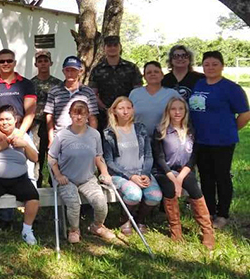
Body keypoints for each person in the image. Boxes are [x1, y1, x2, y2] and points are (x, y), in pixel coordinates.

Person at [189, 51, 250, 229]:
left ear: (222, 66)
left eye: (214, 64)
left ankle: (223, 214)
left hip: (222, 141)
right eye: (207, 64)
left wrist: (230, 129)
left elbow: (245, 114)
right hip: (201, 140)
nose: (210, 67)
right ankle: (209, 211)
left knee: (221, 177)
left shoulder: (231, 88)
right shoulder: (199, 84)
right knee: (206, 177)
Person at [0, 48, 37, 226]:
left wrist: (21, 132)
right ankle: (4, 218)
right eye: (2, 61)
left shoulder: (26, 84)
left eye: (9, 61)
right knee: (0, 171)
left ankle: (30, 220)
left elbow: (30, 111)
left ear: (14, 62)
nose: (5, 64)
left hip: (21, 133)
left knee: (27, 175)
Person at [48, 100, 116, 243]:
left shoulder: (95, 135)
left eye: (82, 114)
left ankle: (97, 226)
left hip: (87, 178)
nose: (79, 118)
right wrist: (58, 175)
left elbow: (99, 156)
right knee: (73, 204)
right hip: (67, 179)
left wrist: (104, 172)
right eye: (75, 114)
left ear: (87, 116)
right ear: (70, 115)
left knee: (100, 202)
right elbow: (51, 157)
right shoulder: (62, 135)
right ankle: (74, 229)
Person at [152, 97, 214, 249]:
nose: (177, 112)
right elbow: (159, 158)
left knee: (194, 187)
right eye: (173, 109)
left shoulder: (191, 130)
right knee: (169, 189)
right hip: (164, 171)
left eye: (181, 109)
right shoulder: (160, 130)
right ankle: (176, 229)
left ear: (185, 111)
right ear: (168, 111)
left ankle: (207, 230)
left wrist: (179, 178)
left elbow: (193, 158)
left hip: (183, 170)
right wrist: (173, 179)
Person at [0, 105, 40, 246]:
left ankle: (27, 231)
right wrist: (0, 147)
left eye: (8, 119)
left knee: (33, 198)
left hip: (19, 178)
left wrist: (25, 145)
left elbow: (35, 158)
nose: (4, 122)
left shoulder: (22, 134)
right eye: (1, 120)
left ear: (15, 120)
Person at [102, 97, 162, 235]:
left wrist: (146, 174)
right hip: (120, 175)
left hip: (141, 172)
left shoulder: (140, 129)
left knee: (155, 196)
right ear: (114, 111)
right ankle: (125, 219)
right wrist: (131, 177)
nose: (125, 112)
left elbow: (148, 155)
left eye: (128, 108)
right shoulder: (109, 133)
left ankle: (140, 219)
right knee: (134, 195)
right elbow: (109, 162)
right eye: (121, 108)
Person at [89, 35, 143, 130]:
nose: (112, 48)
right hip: (105, 116)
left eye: (115, 45)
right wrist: (106, 109)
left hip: (127, 115)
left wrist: (127, 109)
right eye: (109, 46)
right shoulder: (97, 70)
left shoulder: (131, 68)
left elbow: (138, 92)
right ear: (104, 48)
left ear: (120, 47)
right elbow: (93, 94)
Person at [44, 56, 99, 142]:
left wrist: (92, 139)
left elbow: (92, 117)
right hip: (60, 137)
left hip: (83, 137)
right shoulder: (54, 91)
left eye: (73, 70)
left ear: (80, 71)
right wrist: (51, 139)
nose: (70, 74)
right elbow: (49, 116)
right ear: (63, 71)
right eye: (67, 70)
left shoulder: (88, 92)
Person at [30, 50, 62, 187]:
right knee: (36, 157)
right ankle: (35, 188)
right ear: (36, 64)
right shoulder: (30, 84)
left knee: (54, 156)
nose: (43, 64)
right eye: (40, 61)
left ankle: (55, 185)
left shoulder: (58, 84)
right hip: (35, 125)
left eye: (45, 61)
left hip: (53, 125)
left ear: (51, 63)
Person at [129, 61, 181, 137]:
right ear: (144, 77)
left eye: (156, 72)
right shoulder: (134, 94)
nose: (152, 74)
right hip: (139, 139)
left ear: (162, 75)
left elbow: (183, 115)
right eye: (149, 72)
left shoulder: (172, 94)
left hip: (165, 140)